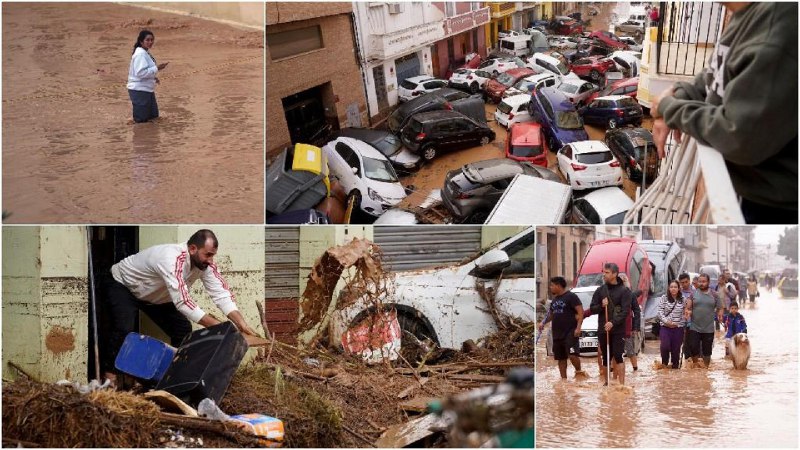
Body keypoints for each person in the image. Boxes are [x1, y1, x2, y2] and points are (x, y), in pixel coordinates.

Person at [650, 2, 798, 224]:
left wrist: (669, 108)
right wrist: (679, 95)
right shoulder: (745, 14)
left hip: (777, 210)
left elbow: (739, 138)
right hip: (754, 195)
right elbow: (714, 76)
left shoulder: (778, 21)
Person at [101, 229, 259, 384]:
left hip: (155, 296)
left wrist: (241, 323)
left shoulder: (206, 264)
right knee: (124, 327)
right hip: (123, 285)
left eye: (213, 255)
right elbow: (183, 302)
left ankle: (173, 378)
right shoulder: (171, 258)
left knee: (182, 330)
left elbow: (221, 294)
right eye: (208, 254)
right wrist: (224, 329)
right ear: (192, 249)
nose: (211, 260)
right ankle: (109, 379)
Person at [590, 263, 631, 385]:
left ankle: (622, 385)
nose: (604, 274)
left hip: (618, 330)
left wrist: (613, 323)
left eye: (607, 272)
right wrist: (601, 306)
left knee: (618, 355)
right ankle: (606, 383)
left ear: (614, 274)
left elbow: (625, 312)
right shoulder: (600, 290)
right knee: (605, 356)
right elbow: (592, 308)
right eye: (604, 272)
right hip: (603, 329)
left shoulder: (624, 291)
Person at [539, 277, 584, 379]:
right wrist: (542, 323)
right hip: (557, 333)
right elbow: (550, 315)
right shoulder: (554, 300)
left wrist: (578, 328)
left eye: (552, 285)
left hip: (570, 331)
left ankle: (579, 371)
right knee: (561, 358)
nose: (550, 288)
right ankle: (563, 380)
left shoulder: (571, 297)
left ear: (558, 286)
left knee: (572, 355)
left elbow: (580, 312)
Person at [128, 30, 168, 123]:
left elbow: (143, 72)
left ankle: (151, 136)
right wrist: (157, 68)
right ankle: (142, 136)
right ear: (141, 41)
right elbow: (140, 73)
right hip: (139, 90)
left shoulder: (144, 52)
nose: (150, 42)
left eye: (152, 40)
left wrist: (153, 77)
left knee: (154, 117)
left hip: (146, 90)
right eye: (147, 40)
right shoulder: (140, 54)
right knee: (141, 121)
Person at [685, 273, 723, 368]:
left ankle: (706, 369)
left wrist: (720, 314)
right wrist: (688, 312)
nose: (701, 283)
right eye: (700, 281)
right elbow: (688, 307)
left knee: (707, 351)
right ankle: (696, 367)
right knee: (694, 348)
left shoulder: (714, 294)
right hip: (694, 327)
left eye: (704, 281)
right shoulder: (693, 294)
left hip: (708, 328)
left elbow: (720, 307)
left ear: (708, 282)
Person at [657, 281, 687, 369]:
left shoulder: (683, 299)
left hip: (678, 328)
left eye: (675, 287)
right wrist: (667, 322)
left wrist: (678, 324)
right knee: (665, 346)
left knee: (676, 350)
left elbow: (685, 313)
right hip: (665, 327)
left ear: (678, 289)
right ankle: (664, 365)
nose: (673, 289)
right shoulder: (664, 298)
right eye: (671, 287)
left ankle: (675, 369)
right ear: (669, 288)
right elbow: (659, 312)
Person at [619, 274, 642, 372]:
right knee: (615, 350)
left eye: (623, 281)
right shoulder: (612, 294)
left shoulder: (630, 295)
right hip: (615, 326)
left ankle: (635, 368)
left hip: (628, 327)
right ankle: (612, 369)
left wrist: (636, 328)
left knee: (630, 350)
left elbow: (637, 311)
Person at [678, 273, 695, 362]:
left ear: (689, 281)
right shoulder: (677, 292)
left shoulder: (695, 291)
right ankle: (688, 363)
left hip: (694, 323)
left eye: (686, 282)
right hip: (682, 323)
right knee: (685, 345)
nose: (684, 284)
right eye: (682, 283)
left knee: (694, 345)